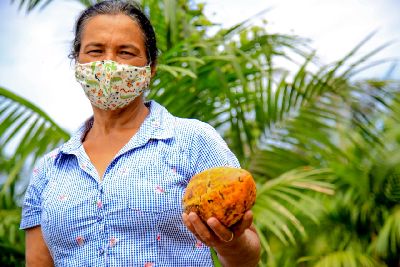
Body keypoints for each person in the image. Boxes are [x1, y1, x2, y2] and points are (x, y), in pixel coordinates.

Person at [20, 1, 261, 266]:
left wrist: (231, 243)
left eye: (125, 52)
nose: (109, 64)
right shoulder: (48, 171)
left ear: (151, 68)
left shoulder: (193, 141)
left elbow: (248, 256)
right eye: (95, 50)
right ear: (77, 61)